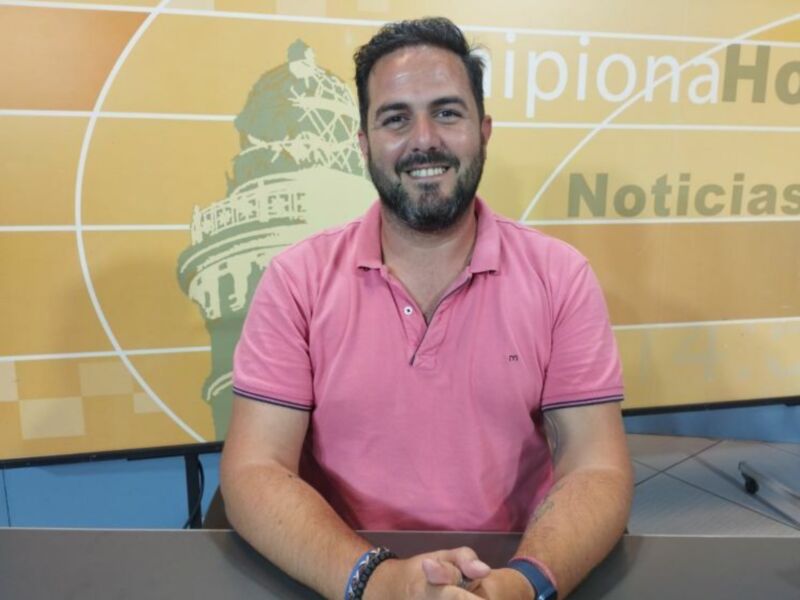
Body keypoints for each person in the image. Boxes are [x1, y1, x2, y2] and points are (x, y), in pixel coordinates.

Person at [221, 16, 633, 600]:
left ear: (484, 131)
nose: (424, 140)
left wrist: (519, 586)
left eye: (447, 111)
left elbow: (596, 468)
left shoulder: (560, 276)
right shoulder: (296, 281)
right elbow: (254, 472)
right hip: (338, 572)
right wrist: (381, 581)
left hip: (514, 566)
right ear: (363, 143)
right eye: (396, 118)